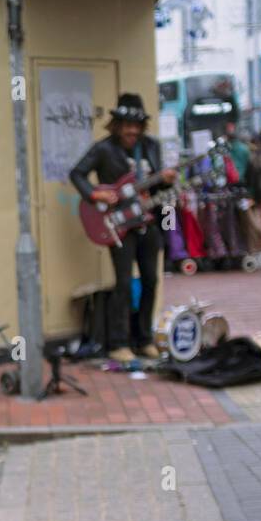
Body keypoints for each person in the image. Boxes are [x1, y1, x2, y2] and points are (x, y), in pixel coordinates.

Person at [70, 92, 177, 362]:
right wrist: (96, 194)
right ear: (117, 125)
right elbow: (77, 173)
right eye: (127, 125)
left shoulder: (151, 146)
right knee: (124, 283)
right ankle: (119, 342)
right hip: (118, 225)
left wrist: (166, 180)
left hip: (148, 223)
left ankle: (144, 339)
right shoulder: (103, 149)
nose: (131, 130)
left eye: (136, 125)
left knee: (151, 280)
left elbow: (160, 185)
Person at [224, 120, 251, 185]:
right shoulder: (245, 148)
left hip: (230, 180)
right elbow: (249, 165)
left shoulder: (224, 149)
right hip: (243, 180)